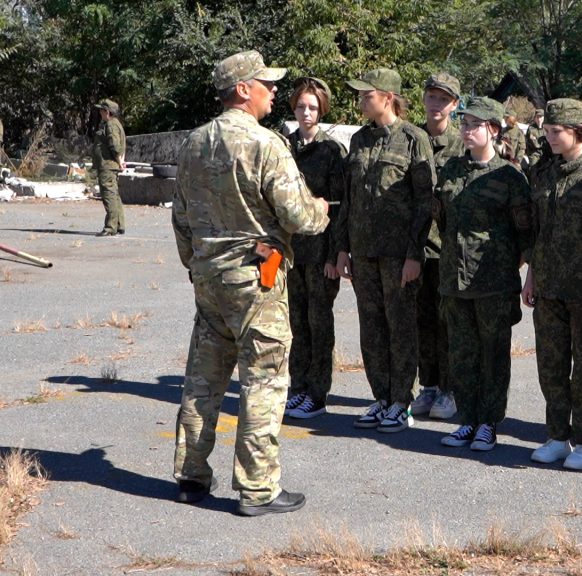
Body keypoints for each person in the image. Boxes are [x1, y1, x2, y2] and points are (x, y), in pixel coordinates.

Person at [171, 50, 329, 516]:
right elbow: (298, 216)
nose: (274, 90)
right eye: (267, 83)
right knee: (263, 379)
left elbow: (181, 218)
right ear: (243, 89)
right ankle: (258, 489)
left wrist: (198, 264)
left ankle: (190, 477)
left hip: (209, 280)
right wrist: (319, 210)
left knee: (204, 380)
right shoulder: (266, 144)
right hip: (256, 283)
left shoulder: (193, 144)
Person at [335, 68, 435, 433]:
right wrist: (342, 247)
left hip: (398, 254)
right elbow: (349, 198)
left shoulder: (413, 138)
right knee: (371, 327)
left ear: (387, 98)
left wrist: (414, 254)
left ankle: (401, 402)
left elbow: (425, 203)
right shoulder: (359, 140)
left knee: (401, 327)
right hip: (363, 251)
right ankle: (381, 397)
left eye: (367, 95)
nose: (361, 101)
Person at [521, 98, 582, 470]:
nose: (550, 138)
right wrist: (530, 277)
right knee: (551, 365)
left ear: (579, 131)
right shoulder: (544, 173)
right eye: (547, 131)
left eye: (557, 131)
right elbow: (537, 231)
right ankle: (557, 437)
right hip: (547, 285)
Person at [434, 96, 532, 452]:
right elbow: (441, 221)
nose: (466, 130)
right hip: (454, 280)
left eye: (475, 124)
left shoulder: (509, 176)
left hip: (493, 282)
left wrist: (509, 269)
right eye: (464, 123)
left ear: (493, 130)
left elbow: (524, 235)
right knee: (461, 354)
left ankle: (489, 423)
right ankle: (467, 420)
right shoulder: (450, 169)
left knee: (493, 355)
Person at [282, 77, 347, 420]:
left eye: (312, 107)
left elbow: (339, 206)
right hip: (290, 253)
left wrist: (337, 254)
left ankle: (318, 393)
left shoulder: (331, 151)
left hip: (320, 252)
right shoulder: (283, 147)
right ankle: (299, 387)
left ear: (322, 110)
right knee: (295, 324)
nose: (306, 112)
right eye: (301, 106)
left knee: (319, 323)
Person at [410, 72, 464, 421]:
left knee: (449, 324)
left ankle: (450, 388)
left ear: (454, 105)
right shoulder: (411, 139)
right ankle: (428, 385)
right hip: (417, 247)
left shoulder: (463, 144)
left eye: (443, 99)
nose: (435, 104)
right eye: (431, 97)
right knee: (422, 322)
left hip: (448, 250)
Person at [92, 99, 127, 236]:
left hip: (108, 166)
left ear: (107, 112)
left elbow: (115, 146)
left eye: (101, 110)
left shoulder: (111, 126)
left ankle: (110, 227)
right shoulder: (115, 124)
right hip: (111, 165)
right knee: (114, 195)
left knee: (109, 196)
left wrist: (119, 161)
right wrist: (121, 161)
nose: (100, 112)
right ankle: (119, 224)